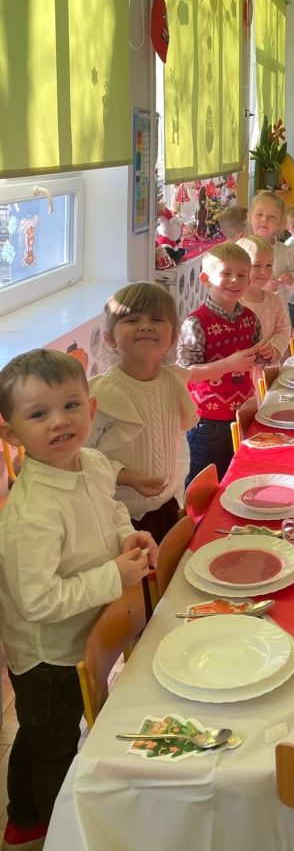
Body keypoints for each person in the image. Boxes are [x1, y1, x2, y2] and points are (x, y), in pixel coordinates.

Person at [0, 350, 156, 850]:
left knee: (40, 733)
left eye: (70, 406)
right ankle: (54, 829)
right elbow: (38, 602)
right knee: (54, 744)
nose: (60, 421)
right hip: (49, 657)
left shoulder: (92, 463)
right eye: (39, 413)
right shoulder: (31, 515)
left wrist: (128, 536)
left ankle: (22, 816)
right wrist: (114, 575)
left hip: (83, 635)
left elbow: (110, 511)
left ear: (91, 409)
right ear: (10, 433)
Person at [89, 283, 198, 544]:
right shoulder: (102, 394)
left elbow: (177, 446)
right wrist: (124, 476)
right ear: (110, 338)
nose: (146, 326)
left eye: (157, 319)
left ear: (173, 337)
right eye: (132, 319)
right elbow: (80, 459)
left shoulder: (173, 382)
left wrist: (177, 493)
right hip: (118, 518)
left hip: (166, 507)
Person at [176, 242, 261, 485]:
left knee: (234, 475)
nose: (235, 280)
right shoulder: (196, 323)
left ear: (249, 281)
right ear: (206, 279)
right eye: (226, 273)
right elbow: (185, 373)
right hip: (208, 420)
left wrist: (262, 357)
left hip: (243, 411)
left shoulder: (250, 319)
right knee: (205, 480)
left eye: (242, 275)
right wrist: (228, 365)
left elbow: (255, 359)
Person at [238, 236, 292, 364]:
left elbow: (283, 328)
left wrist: (274, 347)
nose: (264, 271)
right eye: (256, 265)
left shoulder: (274, 300)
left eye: (269, 265)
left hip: (268, 367)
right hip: (243, 367)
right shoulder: (234, 303)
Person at [248, 190, 294, 304]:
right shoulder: (241, 250)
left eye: (271, 216)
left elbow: (292, 291)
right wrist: (261, 286)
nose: (264, 219)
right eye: (259, 214)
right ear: (250, 217)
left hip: (279, 309)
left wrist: (291, 280)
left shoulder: (285, 251)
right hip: (250, 310)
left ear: (280, 223)